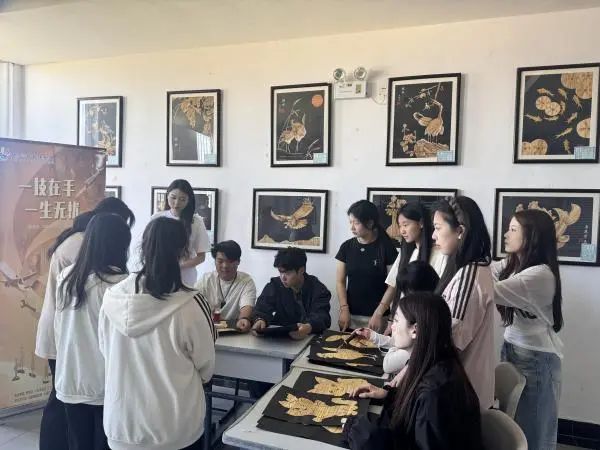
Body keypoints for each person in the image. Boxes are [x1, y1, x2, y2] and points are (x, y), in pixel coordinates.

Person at [99, 217, 216, 450]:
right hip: (175, 426)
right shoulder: (191, 303)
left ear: (143, 246)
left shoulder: (113, 297)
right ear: (184, 251)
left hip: (123, 425)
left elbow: (105, 349)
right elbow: (206, 367)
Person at [35, 197, 135, 450]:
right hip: (102, 381)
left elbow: (65, 326)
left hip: (72, 373)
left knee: (77, 438)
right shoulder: (120, 285)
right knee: (102, 439)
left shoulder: (69, 276)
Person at [345, 293, 483, 450]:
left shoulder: (434, 391)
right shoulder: (435, 360)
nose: (392, 327)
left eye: (396, 321)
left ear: (415, 330)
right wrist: (389, 395)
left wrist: (371, 441)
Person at [492, 209, 563, 450]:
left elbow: (489, 290)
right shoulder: (514, 264)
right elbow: (486, 271)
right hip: (513, 348)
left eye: (513, 230)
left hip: (535, 358)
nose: (506, 234)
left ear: (531, 236)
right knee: (514, 429)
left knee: (533, 435)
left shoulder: (540, 275)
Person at [431, 196, 495, 409]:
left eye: (438, 228)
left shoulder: (470, 275)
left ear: (460, 231)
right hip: (457, 388)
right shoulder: (466, 269)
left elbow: (451, 342)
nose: (433, 235)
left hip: (461, 395)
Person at [353, 260, 440, 375]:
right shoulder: (431, 309)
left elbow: (389, 364)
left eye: (397, 320)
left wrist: (395, 345)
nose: (392, 326)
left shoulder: (423, 322)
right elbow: (398, 342)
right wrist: (372, 336)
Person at [336, 200, 398, 331]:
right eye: (350, 222)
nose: (352, 227)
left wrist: (379, 313)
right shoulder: (346, 247)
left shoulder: (387, 247)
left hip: (377, 318)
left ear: (370, 223)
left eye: (356, 223)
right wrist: (344, 308)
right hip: (350, 316)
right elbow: (340, 281)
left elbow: (392, 285)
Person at [252, 247, 331, 340]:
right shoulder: (275, 285)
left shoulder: (318, 289)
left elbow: (322, 316)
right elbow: (261, 308)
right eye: (280, 272)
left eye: (288, 273)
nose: (283, 278)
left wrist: (309, 327)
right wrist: (260, 319)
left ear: (301, 270)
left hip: (309, 337)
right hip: (280, 338)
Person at [151, 179, 210, 286]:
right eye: (173, 197)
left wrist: (178, 266)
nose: (177, 203)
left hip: (185, 275)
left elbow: (201, 256)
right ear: (167, 195)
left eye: (182, 199)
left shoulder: (196, 221)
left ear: (189, 200)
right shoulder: (157, 218)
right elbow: (150, 248)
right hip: (160, 271)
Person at [196, 240, 256, 332]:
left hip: (234, 329)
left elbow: (247, 305)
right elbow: (194, 303)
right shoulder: (205, 280)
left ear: (238, 262)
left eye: (230, 261)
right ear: (215, 261)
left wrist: (244, 319)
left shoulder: (246, 281)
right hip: (208, 330)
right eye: (220, 261)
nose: (225, 266)